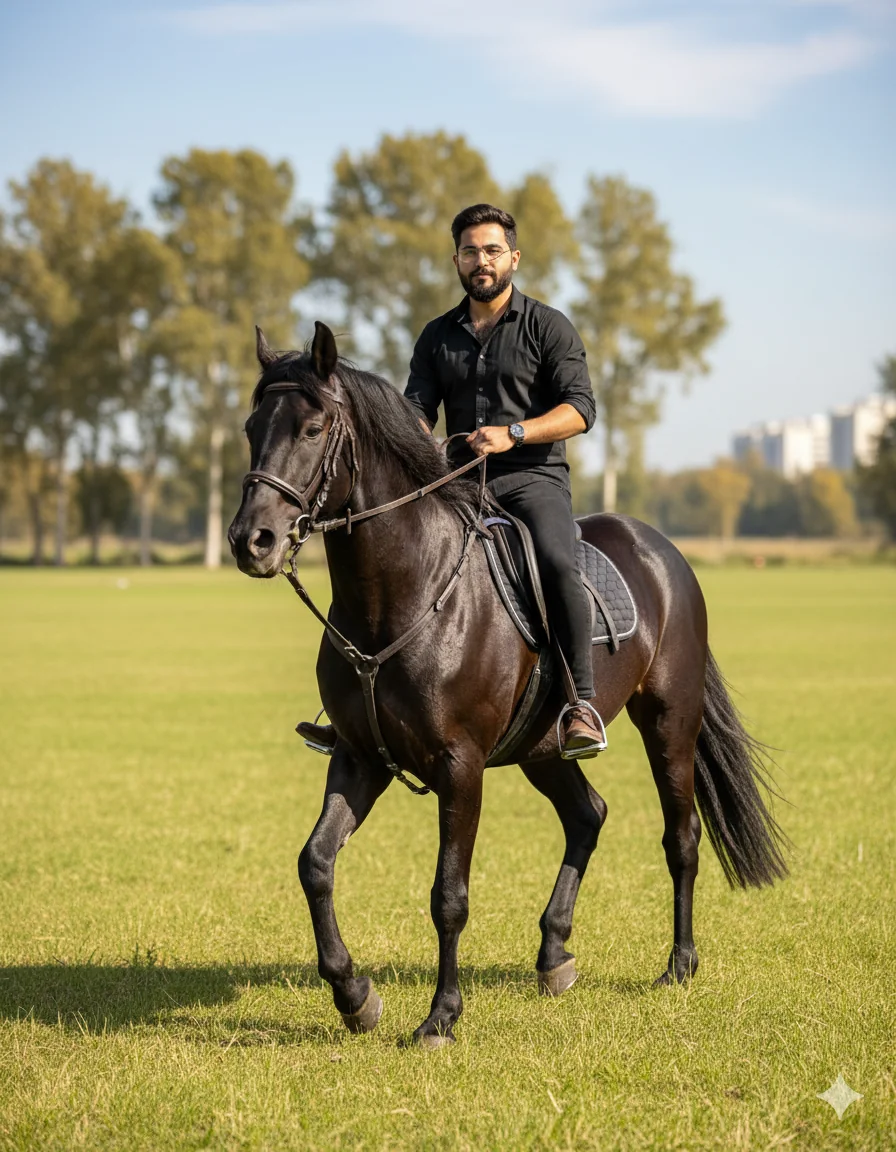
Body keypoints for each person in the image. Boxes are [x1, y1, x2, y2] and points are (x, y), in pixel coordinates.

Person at [298, 203, 603, 759]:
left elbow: (580, 410)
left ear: (513, 256)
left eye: (491, 250)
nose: (480, 261)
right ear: (456, 260)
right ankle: (347, 707)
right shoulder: (437, 335)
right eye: (469, 252)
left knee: (558, 562)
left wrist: (514, 432)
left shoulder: (547, 326)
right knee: (387, 553)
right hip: (457, 481)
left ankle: (580, 701)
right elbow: (417, 410)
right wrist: (414, 441)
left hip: (532, 479)